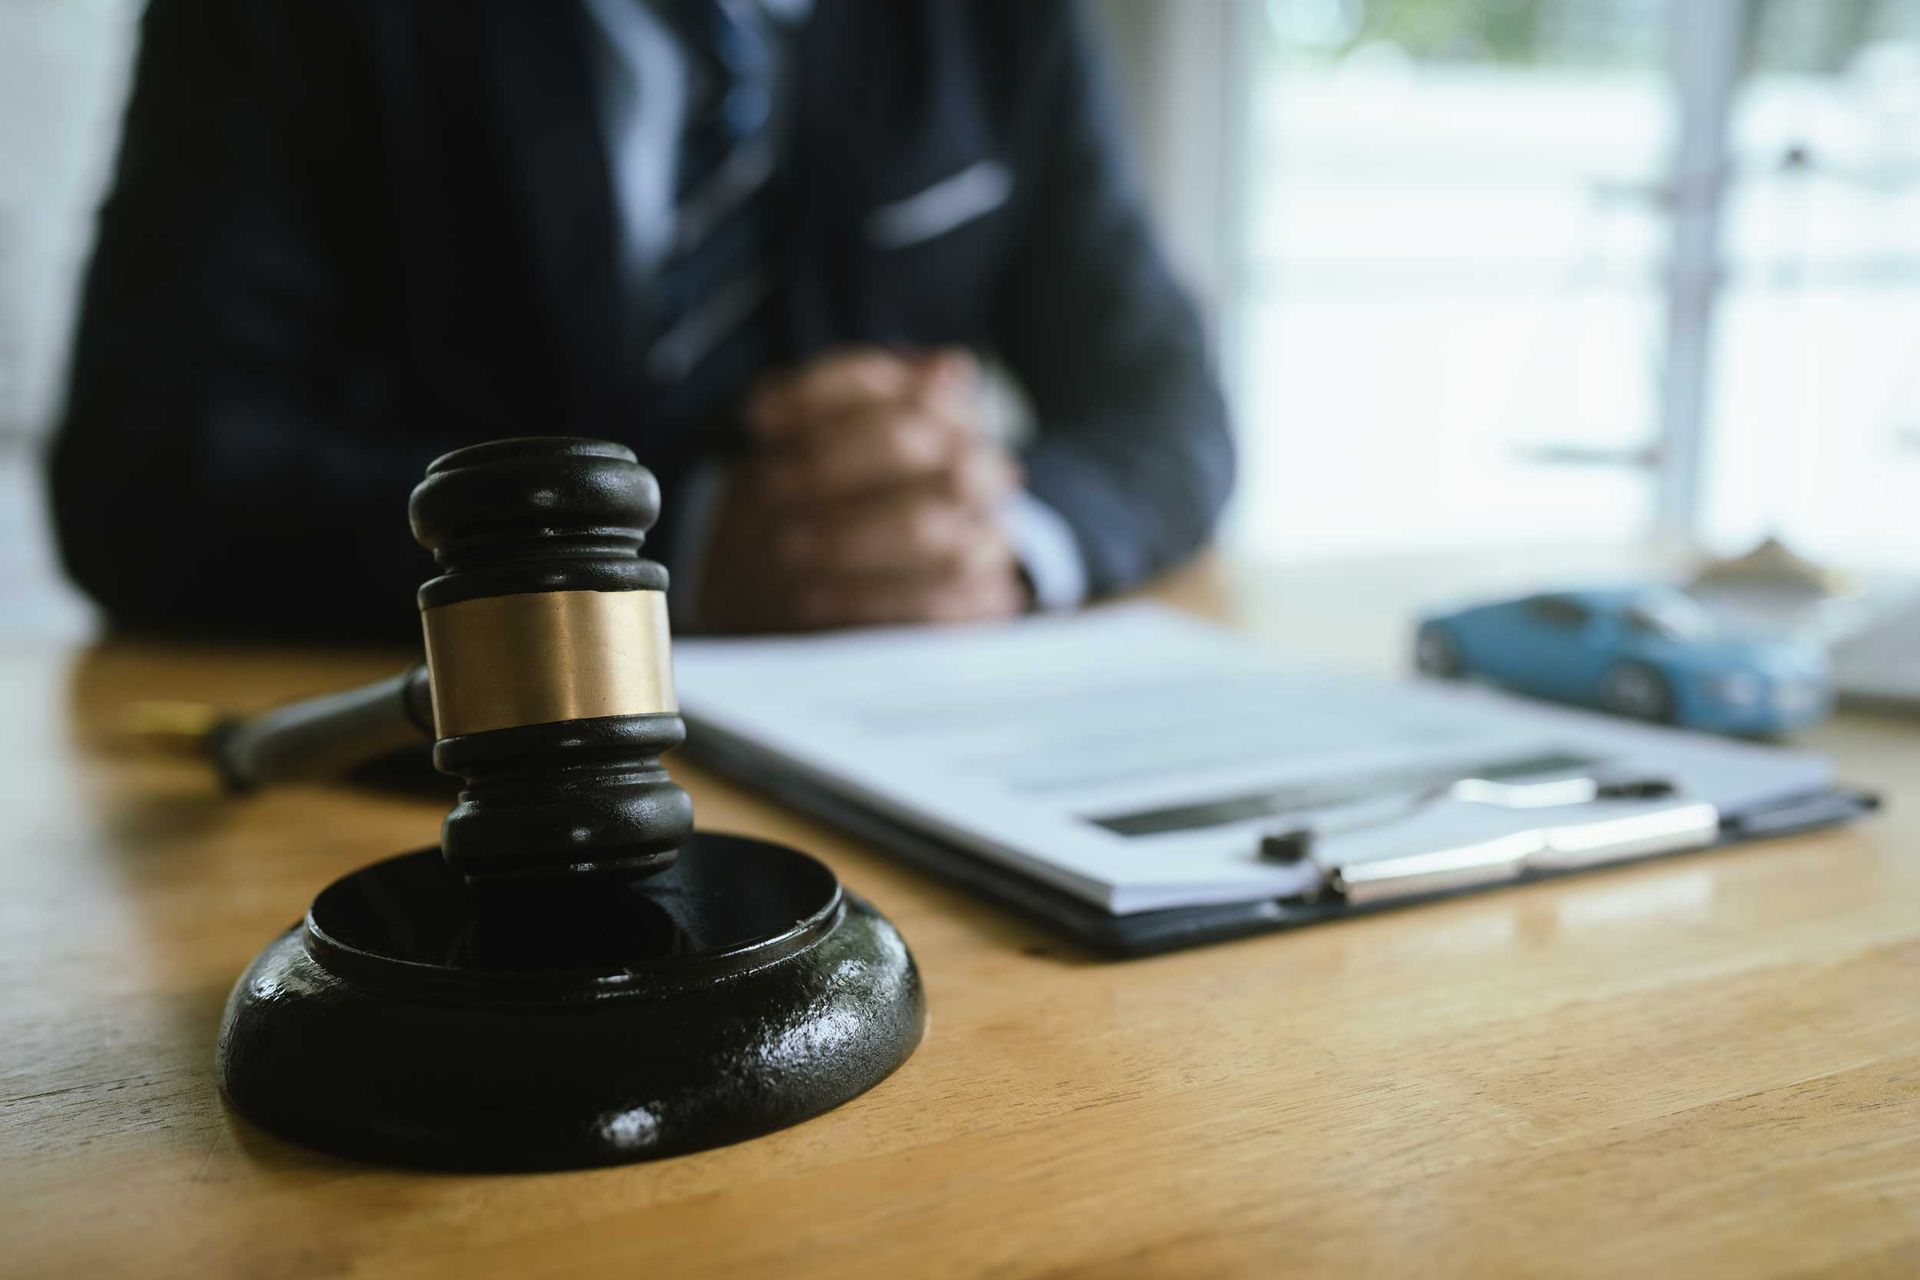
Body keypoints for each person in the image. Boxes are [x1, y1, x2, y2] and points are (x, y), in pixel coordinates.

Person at [49, 0, 1232, 639]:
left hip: (914, 776)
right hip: (439, 792)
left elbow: (1168, 407)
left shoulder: (1001, 22)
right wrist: (671, 557)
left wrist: (990, 539)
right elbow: (145, 474)